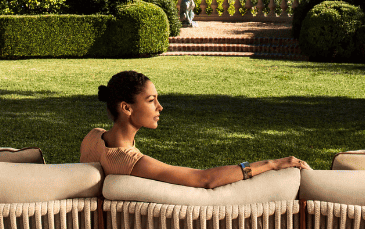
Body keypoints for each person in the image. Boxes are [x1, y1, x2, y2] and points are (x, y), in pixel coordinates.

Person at [80, 70, 308, 186]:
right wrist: (271, 164)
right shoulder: (130, 161)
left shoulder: (93, 137)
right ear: (126, 108)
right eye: (151, 100)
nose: (160, 107)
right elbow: (204, 179)